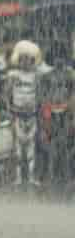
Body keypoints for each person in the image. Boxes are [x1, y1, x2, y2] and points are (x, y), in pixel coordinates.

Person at [4, 40, 44, 186]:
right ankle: (18, 177)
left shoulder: (36, 75)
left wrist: (38, 111)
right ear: (19, 59)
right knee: (18, 148)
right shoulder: (12, 75)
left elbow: (39, 95)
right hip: (17, 115)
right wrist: (9, 110)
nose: (26, 62)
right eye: (23, 58)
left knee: (31, 147)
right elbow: (7, 94)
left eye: (29, 59)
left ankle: (31, 176)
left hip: (31, 115)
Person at [39, 41, 74, 184]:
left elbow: (73, 94)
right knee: (51, 145)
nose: (59, 60)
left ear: (65, 59)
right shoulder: (46, 76)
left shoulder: (70, 76)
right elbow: (42, 95)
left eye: (61, 57)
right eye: (56, 57)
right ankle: (51, 174)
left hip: (65, 112)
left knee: (65, 144)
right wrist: (45, 113)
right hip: (51, 113)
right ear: (52, 59)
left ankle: (66, 175)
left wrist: (71, 111)